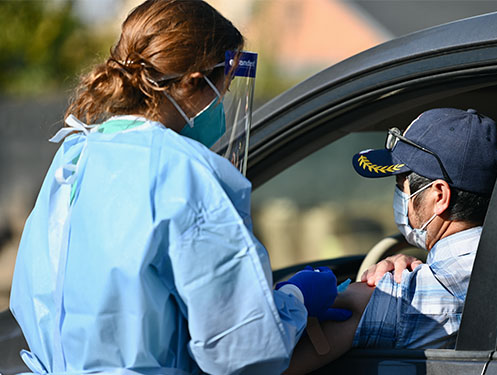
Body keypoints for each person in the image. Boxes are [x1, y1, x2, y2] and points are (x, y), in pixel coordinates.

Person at [9, 1, 349, 374]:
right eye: (225, 86)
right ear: (193, 82)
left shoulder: (74, 157)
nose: (223, 103)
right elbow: (243, 351)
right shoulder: (186, 173)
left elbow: (39, 303)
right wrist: (295, 299)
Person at [285, 107, 497, 373]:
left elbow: (256, 354)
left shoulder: (412, 296)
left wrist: (292, 294)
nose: (400, 195)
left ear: (439, 196)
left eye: (402, 185)